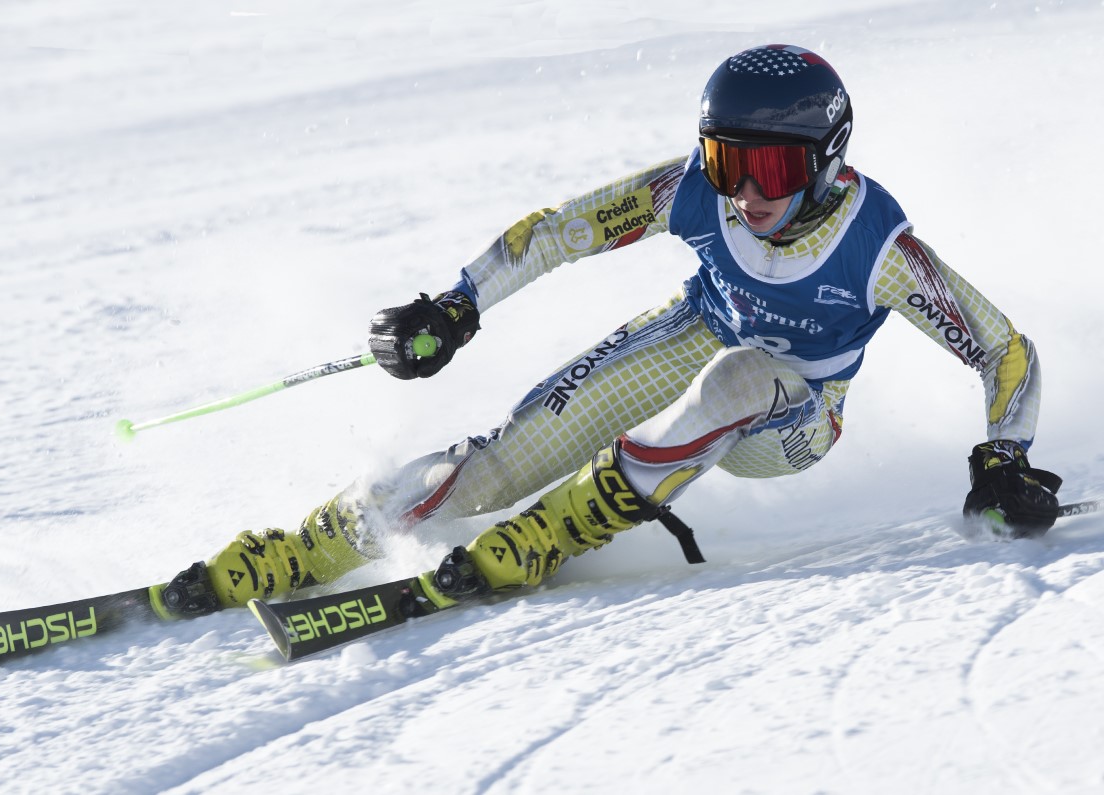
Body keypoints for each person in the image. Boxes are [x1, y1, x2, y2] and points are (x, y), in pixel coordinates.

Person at [152, 43, 1062, 618]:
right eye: (726, 162)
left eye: (773, 168)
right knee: (496, 458)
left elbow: (1003, 348)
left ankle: (560, 528)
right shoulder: (694, 193)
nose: (744, 194)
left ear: (826, 161)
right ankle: (315, 541)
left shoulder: (880, 249)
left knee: (744, 375)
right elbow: (560, 230)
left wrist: (1002, 457)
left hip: (795, 415)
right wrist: (457, 304)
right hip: (693, 332)